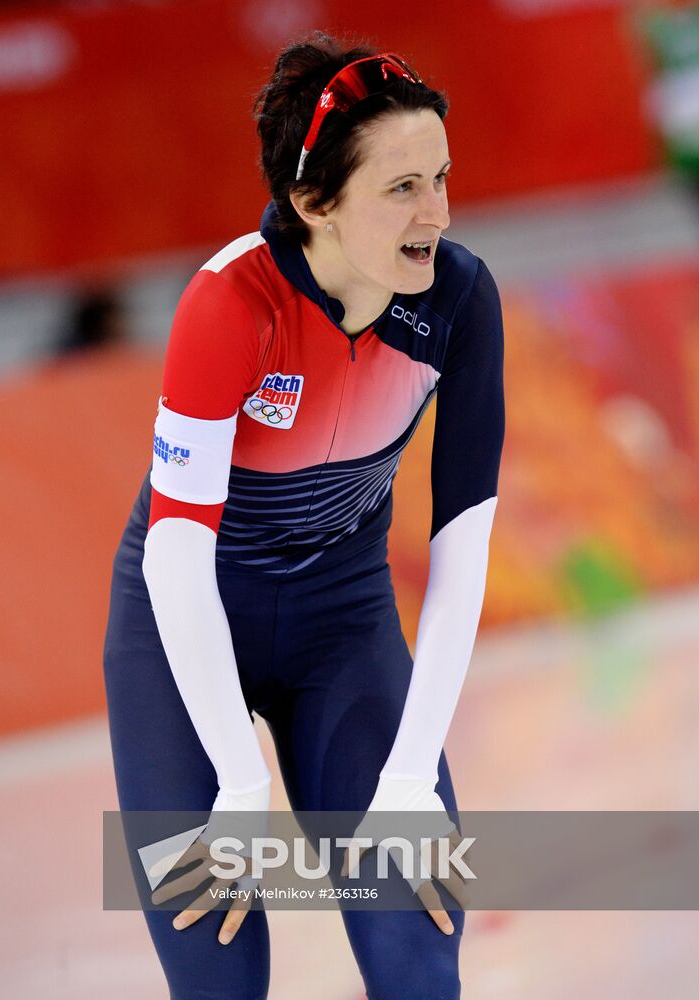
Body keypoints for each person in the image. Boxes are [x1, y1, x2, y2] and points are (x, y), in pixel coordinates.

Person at [102, 32, 505, 1000]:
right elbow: (176, 554)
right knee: (216, 970)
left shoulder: (458, 297)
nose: (436, 213)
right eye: (401, 188)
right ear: (313, 201)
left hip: (342, 622)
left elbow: (462, 541)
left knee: (418, 960)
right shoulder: (230, 300)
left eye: (441, 177)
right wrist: (241, 791)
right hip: (188, 626)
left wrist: (410, 775)